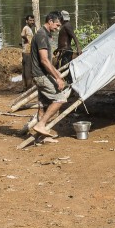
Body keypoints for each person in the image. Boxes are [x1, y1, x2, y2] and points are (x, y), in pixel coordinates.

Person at [26, 11, 71, 139]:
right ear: (50, 21)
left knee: (43, 105)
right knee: (60, 99)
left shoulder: (43, 34)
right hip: (41, 75)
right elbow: (44, 60)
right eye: (56, 25)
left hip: (39, 74)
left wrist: (58, 75)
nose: (58, 28)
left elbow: (47, 61)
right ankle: (41, 124)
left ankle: (41, 138)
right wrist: (57, 77)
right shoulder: (42, 36)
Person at [20, 14, 35, 90]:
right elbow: (22, 34)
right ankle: (28, 86)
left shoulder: (29, 28)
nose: (32, 22)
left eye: (33, 20)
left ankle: (25, 85)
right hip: (27, 52)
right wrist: (26, 39)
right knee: (28, 69)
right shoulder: (26, 28)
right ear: (26, 21)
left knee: (26, 69)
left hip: (27, 51)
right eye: (30, 20)